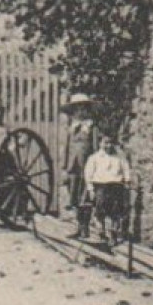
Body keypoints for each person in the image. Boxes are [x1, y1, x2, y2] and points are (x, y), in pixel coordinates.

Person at [83, 131, 133, 246]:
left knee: (115, 212)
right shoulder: (94, 158)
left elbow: (126, 169)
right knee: (100, 210)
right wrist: (90, 189)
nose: (108, 145)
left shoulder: (119, 156)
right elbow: (88, 174)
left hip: (116, 186)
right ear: (100, 143)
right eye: (105, 143)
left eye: (110, 143)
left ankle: (113, 234)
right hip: (101, 186)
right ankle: (102, 232)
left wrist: (127, 181)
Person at [61, 93, 99, 240]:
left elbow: (95, 148)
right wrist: (65, 166)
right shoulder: (72, 127)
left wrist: (95, 168)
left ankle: (85, 228)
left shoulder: (91, 127)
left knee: (86, 196)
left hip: (86, 167)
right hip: (73, 167)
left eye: (82, 109)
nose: (79, 112)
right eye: (76, 109)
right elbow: (66, 147)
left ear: (87, 110)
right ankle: (78, 226)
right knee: (74, 196)